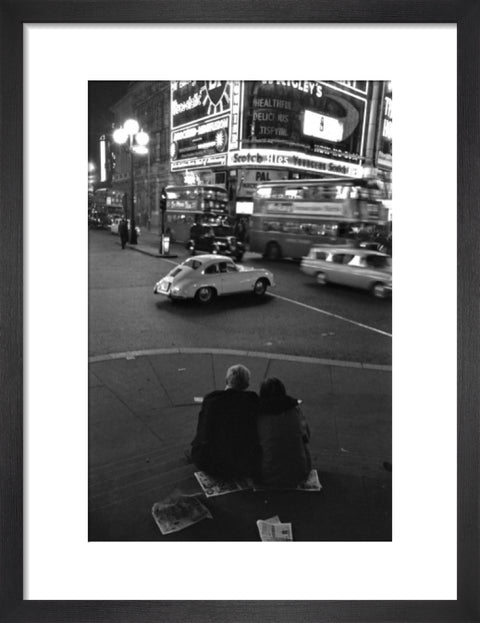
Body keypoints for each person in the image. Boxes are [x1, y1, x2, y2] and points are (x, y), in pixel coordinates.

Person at [190, 364, 260, 480]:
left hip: (210, 463)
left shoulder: (212, 399)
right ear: (247, 384)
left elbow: (202, 430)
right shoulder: (252, 400)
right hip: (243, 463)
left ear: (226, 380)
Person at [256, 377, 311, 488]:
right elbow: (306, 436)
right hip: (299, 472)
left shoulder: (258, 414)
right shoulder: (295, 410)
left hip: (267, 475)